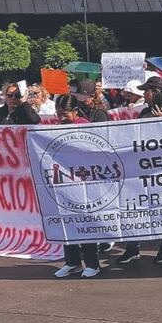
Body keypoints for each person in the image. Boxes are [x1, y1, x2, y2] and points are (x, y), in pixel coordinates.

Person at [114, 76, 162, 265]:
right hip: (143, 168)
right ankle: (132, 248)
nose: (144, 94)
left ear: (156, 92)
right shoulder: (143, 112)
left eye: (147, 91)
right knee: (137, 208)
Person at [50, 94, 103, 279]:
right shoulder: (56, 128)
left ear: (74, 111)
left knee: (84, 222)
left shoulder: (85, 126)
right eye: (58, 113)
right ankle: (72, 261)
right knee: (66, 221)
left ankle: (92, 263)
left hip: (84, 183)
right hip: (64, 183)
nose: (61, 117)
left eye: (64, 113)